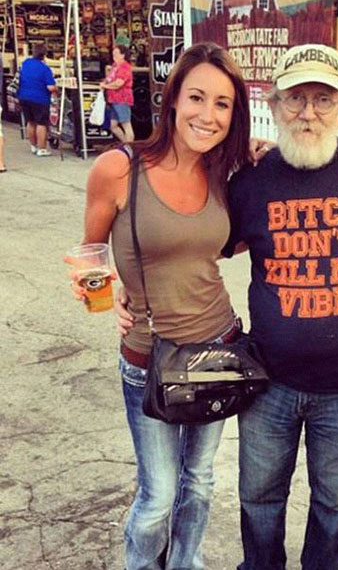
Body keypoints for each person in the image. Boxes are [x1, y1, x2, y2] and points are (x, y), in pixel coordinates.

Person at [73, 42, 250, 569]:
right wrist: (105, 290)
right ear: (173, 99)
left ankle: (185, 563)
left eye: (222, 103)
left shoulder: (223, 173)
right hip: (149, 355)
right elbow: (89, 251)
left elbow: (223, 244)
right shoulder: (118, 168)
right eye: (197, 97)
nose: (208, 114)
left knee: (199, 482)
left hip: (218, 348)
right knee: (158, 497)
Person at [222, 44, 338, 570]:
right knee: (259, 499)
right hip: (268, 381)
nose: (308, 113)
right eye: (295, 99)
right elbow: (199, 244)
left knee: (335, 505)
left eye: (323, 100)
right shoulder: (250, 179)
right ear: (274, 106)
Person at [17, 43, 57, 157]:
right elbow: (50, 87)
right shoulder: (45, 68)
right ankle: (42, 148)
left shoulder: (25, 63)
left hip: (24, 96)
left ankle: (33, 146)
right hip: (40, 99)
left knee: (30, 122)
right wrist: (57, 89)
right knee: (41, 123)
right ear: (44, 54)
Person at [100, 44, 135, 143]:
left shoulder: (125, 67)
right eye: (113, 53)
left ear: (123, 55)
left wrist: (105, 86)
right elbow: (110, 79)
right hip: (113, 99)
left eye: (116, 53)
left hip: (122, 99)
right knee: (113, 126)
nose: (114, 55)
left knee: (126, 124)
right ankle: (126, 144)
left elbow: (119, 83)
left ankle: (130, 146)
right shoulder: (115, 66)